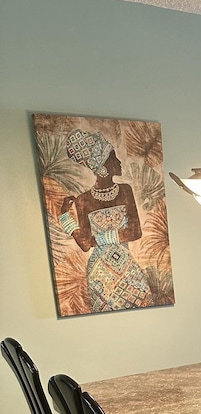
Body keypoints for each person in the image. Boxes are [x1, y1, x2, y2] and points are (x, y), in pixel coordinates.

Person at [59, 129, 153, 312]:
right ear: (102, 167)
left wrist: (99, 239)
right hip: (99, 272)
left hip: (127, 266)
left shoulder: (125, 191)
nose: (118, 162)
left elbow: (135, 232)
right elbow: (86, 244)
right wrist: (65, 217)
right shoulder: (83, 200)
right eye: (113, 159)